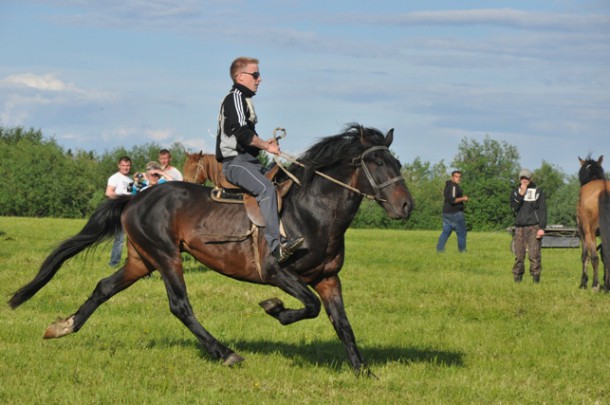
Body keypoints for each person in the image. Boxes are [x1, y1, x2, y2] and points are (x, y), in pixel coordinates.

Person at [215, 56, 303, 264]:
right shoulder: (235, 97)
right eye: (255, 75)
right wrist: (267, 146)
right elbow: (242, 133)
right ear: (240, 77)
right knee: (266, 189)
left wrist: (265, 142)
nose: (259, 79)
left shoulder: (245, 100)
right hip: (235, 164)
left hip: (249, 162)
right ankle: (276, 246)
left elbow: (246, 137)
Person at [510, 168, 547, 283]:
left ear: (531, 179)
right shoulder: (515, 191)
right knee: (519, 256)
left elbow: (542, 210)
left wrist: (542, 228)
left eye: (526, 178)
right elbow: (514, 208)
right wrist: (521, 194)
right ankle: (517, 279)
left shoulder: (537, 191)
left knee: (534, 255)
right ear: (519, 179)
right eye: (522, 178)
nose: (524, 180)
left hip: (534, 227)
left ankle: (536, 280)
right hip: (519, 227)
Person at [105, 156, 133, 267]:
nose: (126, 168)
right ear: (119, 166)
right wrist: (123, 198)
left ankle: (131, 262)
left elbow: (129, 195)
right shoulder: (115, 178)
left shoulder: (130, 180)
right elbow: (109, 193)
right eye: (123, 165)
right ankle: (113, 263)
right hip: (117, 210)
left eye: (128, 166)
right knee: (120, 238)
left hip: (127, 211)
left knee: (131, 238)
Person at [436, 170, 469, 253]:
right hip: (455, 213)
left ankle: (439, 250)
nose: (458, 179)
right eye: (456, 177)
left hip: (446, 213)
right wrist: (463, 198)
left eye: (459, 177)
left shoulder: (448, 186)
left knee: (446, 232)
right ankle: (462, 251)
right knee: (462, 232)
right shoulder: (453, 186)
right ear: (452, 177)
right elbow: (452, 200)